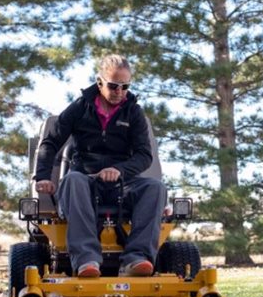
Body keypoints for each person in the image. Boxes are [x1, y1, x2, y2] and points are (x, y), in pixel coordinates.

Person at [34, 54, 167, 278]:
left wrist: (120, 170)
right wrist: (43, 177)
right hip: (86, 180)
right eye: (114, 86)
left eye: (125, 87)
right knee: (72, 180)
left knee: (155, 188)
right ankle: (86, 260)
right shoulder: (80, 108)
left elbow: (145, 155)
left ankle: (137, 258)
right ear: (99, 83)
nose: (119, 92)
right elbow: (51, 141)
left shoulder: (133, 112)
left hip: (122, 183)